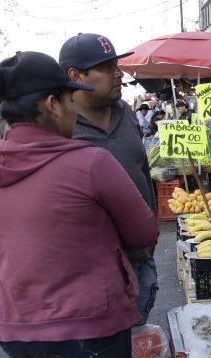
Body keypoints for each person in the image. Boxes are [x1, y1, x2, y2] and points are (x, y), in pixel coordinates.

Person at [0, 51, 159, 358]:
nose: (75, 109)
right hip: (89, 328)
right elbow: (144, 232)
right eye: (71, 100)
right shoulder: (89, 162)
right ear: (53, 104)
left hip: (17, 328)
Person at [59, 33, 159, 325]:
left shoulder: (125, 113)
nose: (119, 74)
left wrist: (150, 227)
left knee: (139, 353)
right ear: (75, 76)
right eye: (106, 68)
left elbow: (141, 170)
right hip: (89, 273)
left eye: (117, 65)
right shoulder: (60, 125)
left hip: (139, 257)